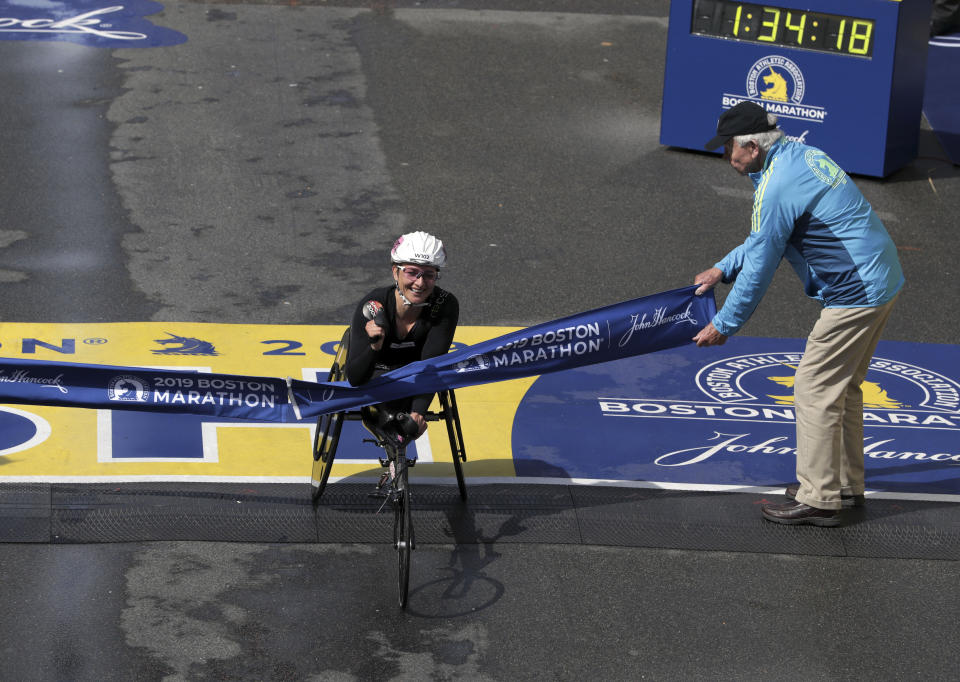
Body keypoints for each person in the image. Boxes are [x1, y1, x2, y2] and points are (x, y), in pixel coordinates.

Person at [692, 101, 904, 527]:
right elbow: (764, 238)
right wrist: (722, 268)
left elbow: (761, 265)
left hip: (855, 293)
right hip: (882, 279)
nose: (724, 156)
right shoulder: (803, 155)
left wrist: (724, 323)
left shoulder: (776, 185)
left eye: (728, 147)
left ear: (751, 147)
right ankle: (843, 483)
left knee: (813, 388)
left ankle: (820, 497)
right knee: (842, 389)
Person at [344, 230, 459, 443]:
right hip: (376, 375)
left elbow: (431, 365)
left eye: (429, 274)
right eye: (412, 272)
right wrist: (374, 347)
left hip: (416, 377)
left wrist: (418, 412)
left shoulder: (445, 305)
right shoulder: (373, 304)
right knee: (389, 408)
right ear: (395, 272)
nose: (420, 283)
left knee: (407, 417)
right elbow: (354, 378)